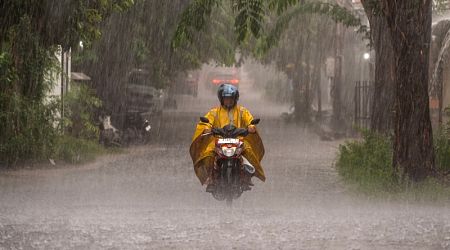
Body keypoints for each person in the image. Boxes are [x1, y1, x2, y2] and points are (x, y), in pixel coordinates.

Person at [189, 83, 266, 192]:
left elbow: (250, 121)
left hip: (239, 140)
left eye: (231, 98)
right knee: (207, 154)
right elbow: (206, 123)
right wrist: (206, 128)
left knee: (249, 151)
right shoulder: (214, 112)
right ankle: (211, 177)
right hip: (217, 141)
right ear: (221, 99)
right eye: (226, 98)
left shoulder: (242, 111)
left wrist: (251, 127)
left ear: (235, 99)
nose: (228, 101)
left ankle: (246, 178)